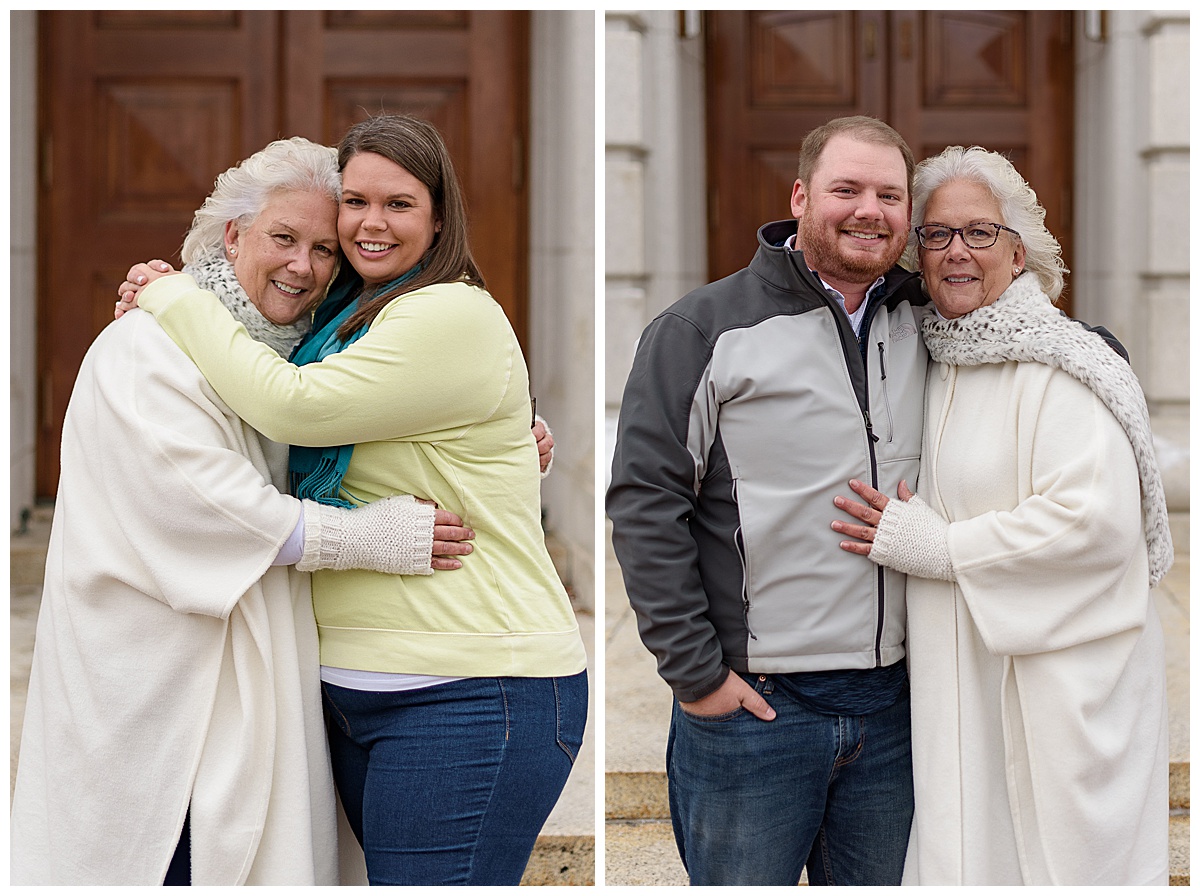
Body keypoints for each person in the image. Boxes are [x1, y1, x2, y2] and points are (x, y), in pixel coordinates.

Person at [118, 114, 588, 887]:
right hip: (354, 693)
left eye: (399, 204)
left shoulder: (448, 312)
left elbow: (294, 407)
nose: (372, 222)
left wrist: (173, 298)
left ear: (440, 218)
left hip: (472, 690)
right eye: (356, 201)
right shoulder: (341, 317)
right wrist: (192, 293)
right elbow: (261, 359)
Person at [9, 137, 483, 885]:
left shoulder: (293, 359)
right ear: (232, 235)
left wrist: (506, 430)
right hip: (160, 693)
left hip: (256, 680)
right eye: (283, 239)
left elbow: (393, 407)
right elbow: (205, 506)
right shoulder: (147, 350)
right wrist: (367, 538)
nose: (303, 267)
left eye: (324, 250)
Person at [830, 145, 1170, 885]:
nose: (957, 251)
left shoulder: (1063, 366)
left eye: (980, 232)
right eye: (937, 234)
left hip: (1053, 695)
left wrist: (945, 549)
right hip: (955, 686)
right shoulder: (927, 355)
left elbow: (1094, 524)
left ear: (1018, 255)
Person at [607, 116, 927, 885]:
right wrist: (696, 675)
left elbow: (1044, 338)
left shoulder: (931, 321)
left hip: (897, 710)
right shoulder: (701, 329)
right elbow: (646, 502)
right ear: (800, 197)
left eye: (890, 195)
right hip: (756, 710)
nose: (869, 210)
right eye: (847, 189)